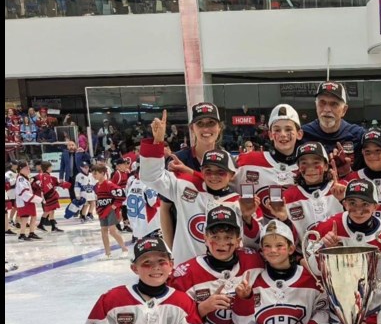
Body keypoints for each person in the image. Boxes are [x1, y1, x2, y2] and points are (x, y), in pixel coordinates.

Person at [223, 220, 328, 324]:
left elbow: (323, 312)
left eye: (279, 245)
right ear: (261, 251)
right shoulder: (252, 278)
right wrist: (245, 299)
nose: (273, 250)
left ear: (291, 248)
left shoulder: (311, 278)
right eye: (267, 246)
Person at [84, 235, 206, 324]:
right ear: (134, 268)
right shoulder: (112, 299)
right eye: (147, 262)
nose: (155, 267)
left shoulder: (183, 301)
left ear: (171, 264)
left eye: (162, 261)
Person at [170, 206, 264, 324]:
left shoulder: (254, 260)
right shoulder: (185, 274)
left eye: (228, 237)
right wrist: (201, 309)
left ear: (238, 240)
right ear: (205, 238)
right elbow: (172, 322)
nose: (221, 243)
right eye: (215, 237)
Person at [141, 110, 246, 264]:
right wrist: (157, 141)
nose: (214, 176)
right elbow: (151, 177)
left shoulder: (238, 202)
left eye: (220, 172)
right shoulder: (183, 185)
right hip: (187, 267)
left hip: (228, 271)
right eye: (208, 171)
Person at [304, 180, 381, 312]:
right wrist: (324, 250)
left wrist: (368, 315)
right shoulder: (328, 227)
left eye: (365, 204)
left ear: (376, 206)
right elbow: (314, 270)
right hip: (331, 306)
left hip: (368, 311)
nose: (358, 210)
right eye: (352, 203)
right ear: (344, 203)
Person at [236, 103, 303, 223]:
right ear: (270, 135)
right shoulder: (249, 161)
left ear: (299, 134)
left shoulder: (307, 168)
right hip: (256, 238)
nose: (283, 134)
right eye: (277, 130)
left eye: (288, 129)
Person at [275, 142, 346, 237]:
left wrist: (344, 201)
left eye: (316, 163)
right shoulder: (287, 197)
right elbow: (288, 241)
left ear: (325, 166)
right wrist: (284, 220)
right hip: (302, 251)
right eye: (304, 163)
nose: (310, 168)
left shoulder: (343, 188)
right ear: (298, 167)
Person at [300, 82, 365, 178]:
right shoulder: (302, 134)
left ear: (344, 110)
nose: (327, 109)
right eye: (322, 103)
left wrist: (347, 172)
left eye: (334, 104)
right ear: (316, 106)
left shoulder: (359, 135)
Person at [92, 164, 131, 259]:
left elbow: (122, 196)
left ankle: (124, 249)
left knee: (112, 231)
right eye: (93, 173)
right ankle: (107, 253)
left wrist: (113, 207)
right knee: (103, 231)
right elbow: (98, 198)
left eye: (95, 173)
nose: (93, 175)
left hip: (110, 211)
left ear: (102, 173)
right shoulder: (96, 186)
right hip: (101, 211)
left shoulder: (109, 185)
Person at [34, 160, 69, 233]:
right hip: (49, 196)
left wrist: (59, 184)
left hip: (49, 195)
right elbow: (47, 187)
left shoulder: (46, 175)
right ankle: (41, 225)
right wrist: (52, 192)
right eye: (51, 166)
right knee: (48, 210)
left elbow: (52, 184)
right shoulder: (45, 176)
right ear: (47, 168)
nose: (52, 168)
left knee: (51, 211)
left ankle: (52, 226)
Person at [14, 160, 42, 241]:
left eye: (29, 168)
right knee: (25, 218)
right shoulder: (21, 179)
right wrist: (37, 199)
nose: (29, 170)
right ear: (21, 169)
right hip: (25, 202)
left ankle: (31, 233)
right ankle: (22, 234)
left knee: (33, 216)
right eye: (27, 168)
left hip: (28, 201)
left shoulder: (24, 178)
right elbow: (24, 193)